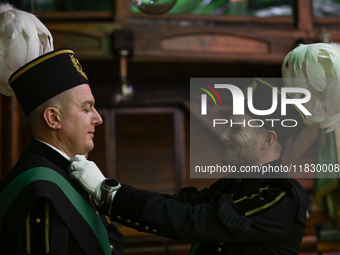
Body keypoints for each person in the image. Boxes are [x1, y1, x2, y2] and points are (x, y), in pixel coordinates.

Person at [69, 78, 307, 255]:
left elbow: (193, 220)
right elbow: (179, 205)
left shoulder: (281, 194)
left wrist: (108, 191)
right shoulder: (236, 182)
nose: (223, 136)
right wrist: (111, 194)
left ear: (267, 140)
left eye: (235, 129)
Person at [0, 48, 124, 255]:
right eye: (86, 109)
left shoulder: (68, 175)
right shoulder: (39, 190)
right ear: (54, 119)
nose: (98, 118)